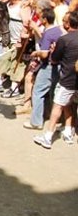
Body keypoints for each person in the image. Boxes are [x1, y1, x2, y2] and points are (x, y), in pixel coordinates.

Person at [34, 11, 78, 149]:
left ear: (69, 24)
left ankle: (48, 136)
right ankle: (68, 130)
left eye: (65, 21)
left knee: (58, 106)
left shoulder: (64, 40)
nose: (63, 24)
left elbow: (54, 58)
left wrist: (53, 50)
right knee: (67, 104)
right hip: (75, 80)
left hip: (67, 78)